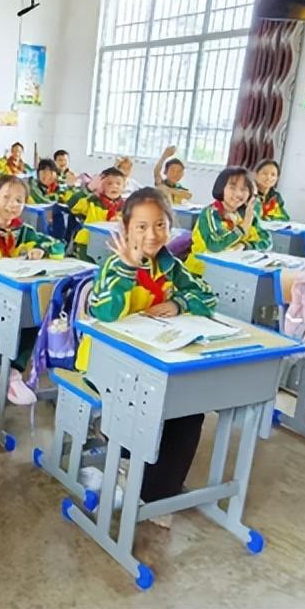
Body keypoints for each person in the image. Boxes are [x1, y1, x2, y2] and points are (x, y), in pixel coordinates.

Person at [77, 188, 217, 527]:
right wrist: (128, 268)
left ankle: (155, 492)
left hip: (156, 361)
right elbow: (105, 311)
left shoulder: (170, 265)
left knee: (188, 411)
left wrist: (179, 303)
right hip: (109, 363)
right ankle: (133, 468)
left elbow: (207, 296)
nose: (152, 234)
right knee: (149, 406)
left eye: (160, 225)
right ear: (126, 229)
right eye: (141, 227)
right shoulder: (113, 266)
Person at [0, 175, 65, 403]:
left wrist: (42, 250)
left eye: (19, 200)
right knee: (24, 315)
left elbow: (59, 246)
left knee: (37, 315)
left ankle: (12, 371)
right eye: (6, 197)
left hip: (18, 295)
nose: (12, 204)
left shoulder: (25, 231)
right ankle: (10, 371)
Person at [184, 166, 271, 274]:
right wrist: (243, 227)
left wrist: (245, 246)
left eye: (244, 189)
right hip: (200, 273)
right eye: (232, 188)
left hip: (233, 272)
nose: (238, 194)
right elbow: (215, 244)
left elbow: (267, 241)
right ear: (221, 188)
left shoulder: (247, 214)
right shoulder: (210, 213)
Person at [70, 167, 127, 261]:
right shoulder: (92, 201)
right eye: (109, 183)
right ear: (101, 185)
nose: (114, 186)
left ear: (124, 187)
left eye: (118, 183)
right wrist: (88, 189)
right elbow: (72, 205)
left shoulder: (126, 207)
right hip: (87, 244)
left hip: (113, 246)